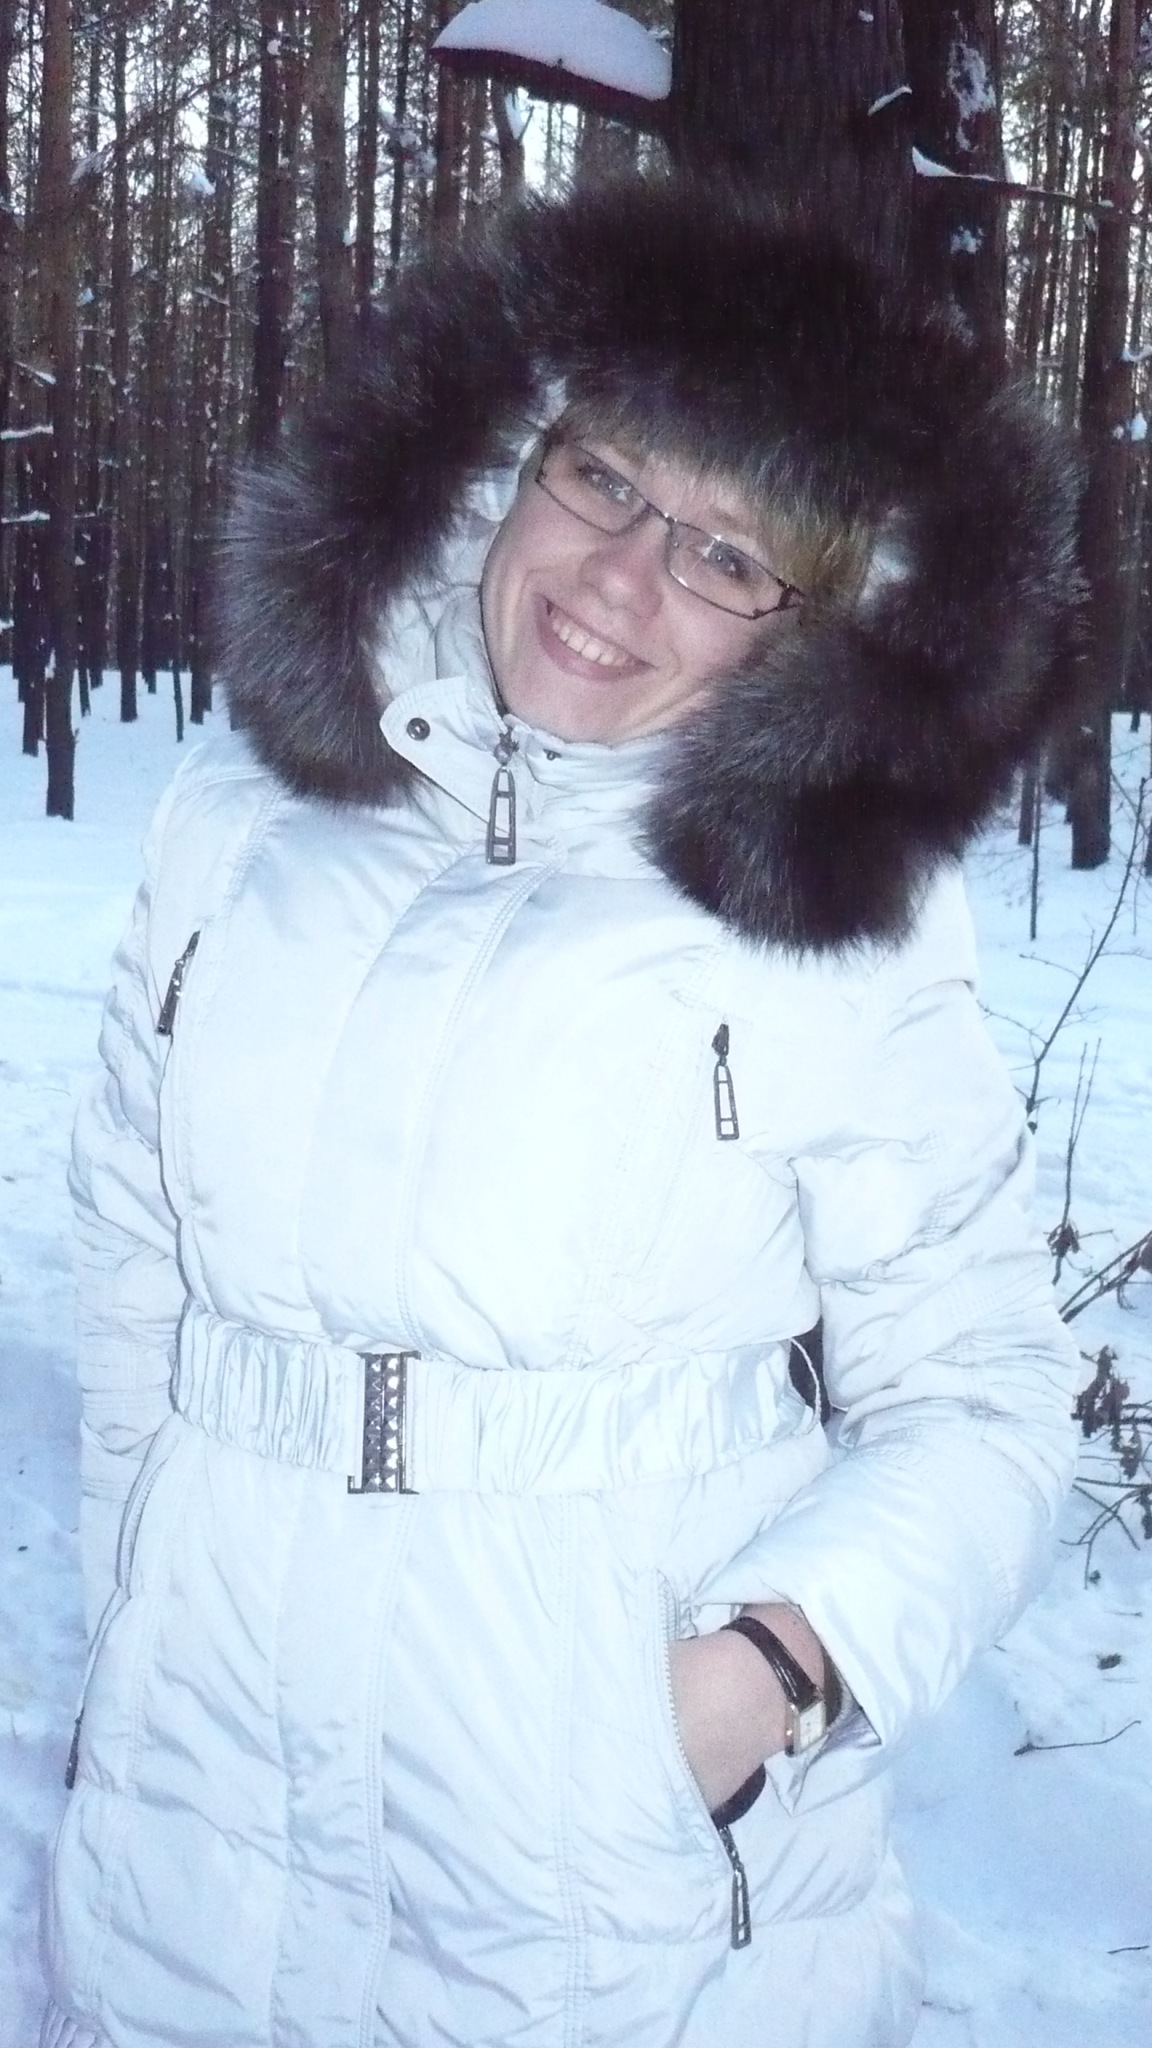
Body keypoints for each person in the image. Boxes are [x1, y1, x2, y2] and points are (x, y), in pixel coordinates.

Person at [42, 179, 1084, 2048]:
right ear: (506, 459)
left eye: (727, 556)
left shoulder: (826, 915)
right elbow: (137, 1257)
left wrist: (760, 1678)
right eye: (603, 477)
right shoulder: (249, 814)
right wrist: (142, 1595)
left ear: (807, 623)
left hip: (597, 1888)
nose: (621, 579)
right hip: (190, 1823)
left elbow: (988, 1400)